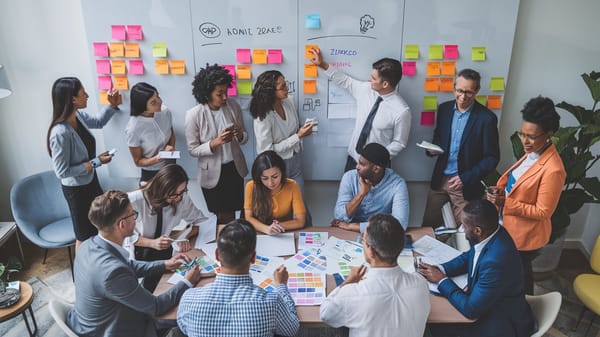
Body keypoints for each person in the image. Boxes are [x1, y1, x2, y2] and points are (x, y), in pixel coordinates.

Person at [68, 190, 202, 337]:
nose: (135, 218)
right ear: (122, 224)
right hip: (111, 330)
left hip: (89, 321)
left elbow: (127, 266)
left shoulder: (87, 245)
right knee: (191, 320)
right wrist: (187, 281)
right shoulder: (111, 273)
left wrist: (165, 264)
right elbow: (156, 306)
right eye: (133, 214)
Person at [418, 199, 535, 337]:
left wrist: (442, 280)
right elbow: (469, 256)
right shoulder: (494, 233)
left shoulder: (495, 262)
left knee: (432, 324)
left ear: (478, 230)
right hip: (491, 303)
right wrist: (441, 269)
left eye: (464, 225)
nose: (461, 228)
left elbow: (471, 309)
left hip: (499, 325)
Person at [486, 96, 566, 295]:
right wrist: (501, 192)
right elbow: (519, 186)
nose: (525, 141)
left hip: (524, 237)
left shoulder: (553, 169)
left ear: (549, 134)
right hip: (508, 228)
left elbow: (543, 211)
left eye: (532, 136)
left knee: (520, 282)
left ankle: (527, 318)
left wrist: (506, 202)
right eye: (523, 134)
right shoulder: (533, 153)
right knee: (511, 279)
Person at [177, 219, 299, 337]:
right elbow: (292, 329)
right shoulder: (271, 302)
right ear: (253, 257)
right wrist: (282, 286)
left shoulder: (189, 298)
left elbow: (184, 328)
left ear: (217, 255)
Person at [320, 214, 430, 337]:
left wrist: (348, 282)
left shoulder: (352, 293)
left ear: (371, 251)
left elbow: (326, 314)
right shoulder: (421, 284)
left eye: (363, 240)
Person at [47, 77, 122, 250]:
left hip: (90, 181)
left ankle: (100, 264)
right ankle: (83, 274)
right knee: (83, 234)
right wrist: (96, 162)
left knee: (101, 224)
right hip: (76, 191)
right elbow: (61, 171)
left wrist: (112, 105)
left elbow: (98, 122)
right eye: (83, 93)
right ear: (72, 99)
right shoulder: (60, 133)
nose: (87, 95)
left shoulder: (77, 116)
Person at [309, 49, 411, 172]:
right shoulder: (366, 90)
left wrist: (377, 158)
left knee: (375, 192)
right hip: (354, 159)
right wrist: (322, 64)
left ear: (385, 84)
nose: (369, 80)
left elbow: (399, 142)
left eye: (373, 78)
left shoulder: (402, 110)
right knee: (349, 191)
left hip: (376, 167)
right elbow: (345, 81)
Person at [421, 68, 500, 228]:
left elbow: (492, 158)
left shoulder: (487, 118)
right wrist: (432, 149)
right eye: (460, 91)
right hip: (440, 179)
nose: (463, 97)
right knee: (428, 227)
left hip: (466, 185)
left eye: (469, 92)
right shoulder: (444, 110)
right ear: (454, 87)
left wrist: (466, 177)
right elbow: (438, 137)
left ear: (477, 90)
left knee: (464, 233)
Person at [125, 164, 213, 292]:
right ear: (161, 189)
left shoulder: (181, 198)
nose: (179, 198)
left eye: (182, 192)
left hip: (165, 250)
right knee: (147, 289)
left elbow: (200, 220)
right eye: (174, 194)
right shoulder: (134, 200)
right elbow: (121, 234)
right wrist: (152, 243)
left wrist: (185, 236)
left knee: (166, 286)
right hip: (139, 251)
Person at [185, 64, 248, 224]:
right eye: (220, 94)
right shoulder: (194, 115)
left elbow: (245, 136)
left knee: (242, 212)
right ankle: (224, 247)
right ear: (206, 94)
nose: (225, 97)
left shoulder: (233, 106)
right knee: (223, 218)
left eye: (226, 92)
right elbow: (192, 149)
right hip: (212, 174)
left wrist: (239, 134)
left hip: (234, 169)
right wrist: (215, 143)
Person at [249, 70, 313, 194]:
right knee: (280, 209)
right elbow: (266, 151)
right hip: (275, 167)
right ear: (270, 92)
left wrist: (302, 130)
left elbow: (292, 129)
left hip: (295, 161)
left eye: (285, 84)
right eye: (282, 87)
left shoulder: (289, 101)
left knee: (300, 204)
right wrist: (298, 136)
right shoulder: (262, 116)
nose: (287, 88)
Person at [333, 143, 409, 232]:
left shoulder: (397, 184)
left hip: (379, 235)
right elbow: (340, 217)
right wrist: (362, 194)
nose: (357, 167)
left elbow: (400, 224)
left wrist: (353, 226)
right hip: (349, 232)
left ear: (376, 169)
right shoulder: (349, 177)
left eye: (362, 164)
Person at [244, 151, 306, 235]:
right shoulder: (251, 186)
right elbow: (248, 218)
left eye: (275, 177)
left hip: (283, 232)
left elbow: (300, 221)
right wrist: (266, 229)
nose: (271, 183)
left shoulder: (292, 185)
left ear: (282, 172)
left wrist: (277, 227)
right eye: (265, 178)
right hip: (259, 233)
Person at [125, 82, 175, 185]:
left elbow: (171, 133)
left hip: (170, 165)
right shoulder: (133, 129)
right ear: (142, 106)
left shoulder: (165, 111)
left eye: (158, 96)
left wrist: (170, 146)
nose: (160, 101)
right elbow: (138, 161)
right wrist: (159, 157)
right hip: (151, 173)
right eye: (153, 102)